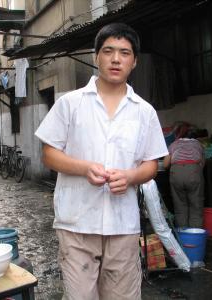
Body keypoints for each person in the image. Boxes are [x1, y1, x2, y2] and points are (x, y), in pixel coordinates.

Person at [35, 23, 168, 300]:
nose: (116, 59)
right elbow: (48, 154)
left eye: (124, 52)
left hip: (122, 225)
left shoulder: (144, 112)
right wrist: (85, 168)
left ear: (134, 61)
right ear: (97, 57)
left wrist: (131, 177)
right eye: (108, 51)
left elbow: (152, 164)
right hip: (76, 222)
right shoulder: (70, 103)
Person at [163, 132, 205, 228]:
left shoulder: (173, 144)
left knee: (179, 206)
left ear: (179, 137)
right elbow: (202, 163)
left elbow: (165, 164)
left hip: (176, 173)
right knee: (196, 205)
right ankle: (195, 235)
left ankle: (182, 236)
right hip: (193, 173)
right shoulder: (198, 144)